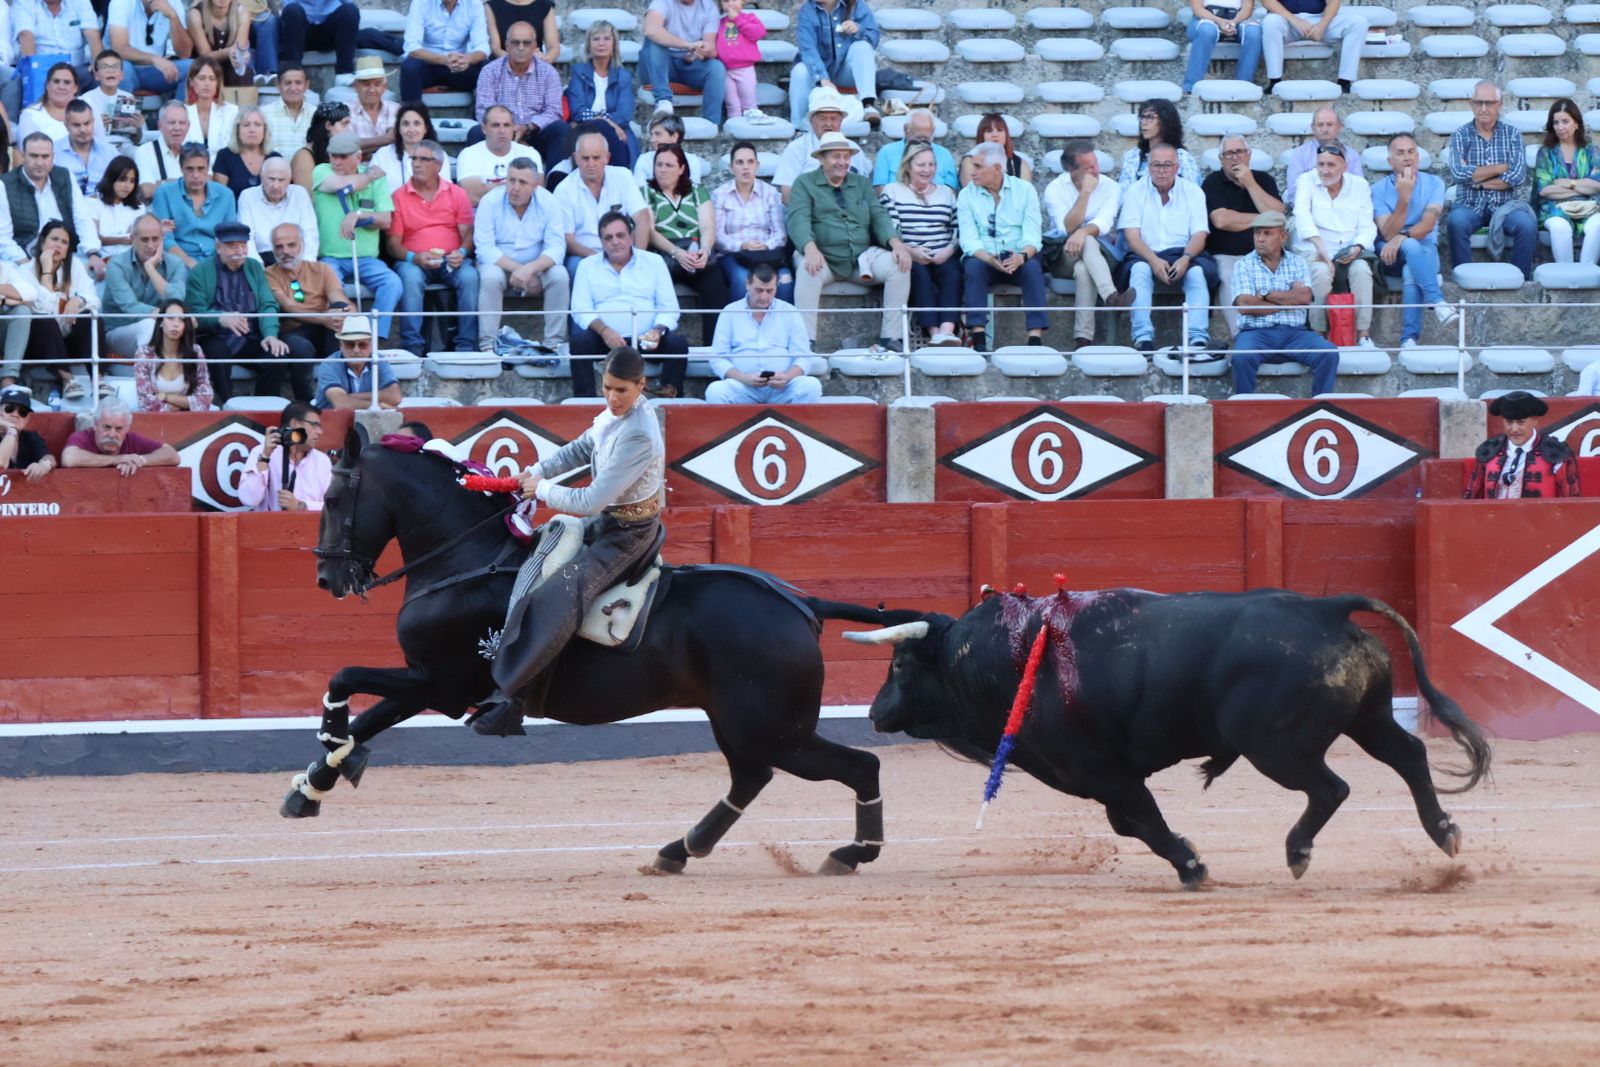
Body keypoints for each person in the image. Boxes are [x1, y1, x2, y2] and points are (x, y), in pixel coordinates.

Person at [470, 344, 665, 735]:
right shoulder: (614, 416)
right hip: (609, 525)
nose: (612, 397)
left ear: (641, 385)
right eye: (607, 387)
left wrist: (540, 490)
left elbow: (591, 500)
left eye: (622, 390)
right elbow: (580, 448)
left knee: (562, 594)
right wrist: (536, 470)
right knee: (536, 557)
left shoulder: (640, 434)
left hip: (629, 537)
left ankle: (514, 697)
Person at [788, 131, 912, 350]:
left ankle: (891, 337)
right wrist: (810, 248)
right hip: (822, 257)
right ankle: (805, 342)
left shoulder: (861, 184)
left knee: (899, 264)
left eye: (846, 157)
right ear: (821, 158)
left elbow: (878, 215)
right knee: (808, 268)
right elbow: (798, 220)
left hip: (860, 259)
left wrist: (896, 243)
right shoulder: (804, 183)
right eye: (836, 156)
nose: (843, 162)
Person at [569, 211, 687, 396]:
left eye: (620, 235)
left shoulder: (653, 262)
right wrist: (605, 331)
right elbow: (580, 309)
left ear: (631, 237)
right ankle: (585, 402)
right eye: (608, 237)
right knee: (579, 342)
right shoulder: (587, 266)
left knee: (677, 344)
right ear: (601, 242)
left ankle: (669, 399)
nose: (615, 242)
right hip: (605, 340)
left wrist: (657, 330)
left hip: (647, 340)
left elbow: (669, 307)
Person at [1228, 211, 1339, 395]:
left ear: (1283, 236)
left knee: (1328, 353)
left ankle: (1321, 406)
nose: (1260, 239)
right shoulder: (1244, 264)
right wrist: (1289, 299)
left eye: (1267, 233)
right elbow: (1246, 305)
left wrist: (1264, 294)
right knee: (1241, 357)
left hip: (1296, 333)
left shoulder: (1298, 262)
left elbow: (1304, 297)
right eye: (1257, 233)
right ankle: (1244, 407)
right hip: (1256, 333)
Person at [186, 218, 295, 404]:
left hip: (249, 335)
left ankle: (263, 407)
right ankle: (227, 404)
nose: (239, 251)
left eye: (243, 245)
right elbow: (194, 313)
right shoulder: (200, 271)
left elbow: (267, 304)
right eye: (232, 246)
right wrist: (220, 318)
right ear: (218, 246)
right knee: (216, 352)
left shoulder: (254, 267)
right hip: (215, 335)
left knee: (276, 354)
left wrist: (270, 334)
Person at [1120, 143, 1214, 355]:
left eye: (1167, 165)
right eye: (1156, 165)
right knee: (1139, 271)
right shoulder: (1135, 192)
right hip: (1145, 253)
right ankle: (1143, 338)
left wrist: (1186, 258)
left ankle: (1197, 339)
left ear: (1177, 167)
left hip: (1184, 252)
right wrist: (1153, 260)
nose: (1161, 171)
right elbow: (1132, 235)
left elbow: (1200, 233)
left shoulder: (1193, 192)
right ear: (1148, 167)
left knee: (1197, 273)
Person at [312, 129, 402, 346]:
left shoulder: (378, 181)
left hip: (366, 258)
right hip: (331, 257)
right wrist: (370, 175)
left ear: (358, 157)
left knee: (393, 282)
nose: (337, 161)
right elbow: (342, 186)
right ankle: (343, 340)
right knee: (331, 286)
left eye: (343, 156)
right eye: (333, 155)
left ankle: (373, 338)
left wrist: (360, 215)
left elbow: (385, 219)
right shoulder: (321, 171)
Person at [388, 138, 478, 354]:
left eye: (423, 159)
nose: (416, 163)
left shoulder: (456, 193)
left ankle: (466, 346)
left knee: (470, 277)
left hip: (451, 260)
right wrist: (414, 257)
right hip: (413, 260)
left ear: (438, 165)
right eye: (414, 159)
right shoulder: (399, 196)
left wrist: (462, 252)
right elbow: (393, 245)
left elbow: (469, 236)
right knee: (410, 278)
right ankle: (413, 347)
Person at [957, 142, 1046, 351]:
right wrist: (989, 259)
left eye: (978, 167)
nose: (972, 172)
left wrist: (1021, 257)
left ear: (997, 168)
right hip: (985, 255)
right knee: (973, 267)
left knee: (1033, 268)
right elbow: (968, 240)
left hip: (1019, 254)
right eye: (972, 166)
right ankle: (978, 337)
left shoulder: (1024, 190)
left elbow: (1033, 236)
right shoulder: (966, 195)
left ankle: (1035, 338)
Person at [476, 156, 569, 353]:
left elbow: (556, 248)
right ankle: (487, 346)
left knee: (559, 275)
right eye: (511, 180)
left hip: (536, 266)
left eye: (522, 182)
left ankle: (554, 344)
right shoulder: (489, 201)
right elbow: (484, 248)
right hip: (500, 264)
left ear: (535, 185)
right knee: (490, 277)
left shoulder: (549, 202)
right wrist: (521, 271)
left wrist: (532, 269)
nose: (515, 188)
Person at [1371, 133, 1455, 350]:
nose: (1407, 158)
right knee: (1407, 246)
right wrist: (1404, 198)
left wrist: (1403, 236)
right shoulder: (1377, 190)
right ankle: (1437, 302)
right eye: (1400, 153)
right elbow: (1388, 234)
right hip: (1389, 253)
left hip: (1424, 247)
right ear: (1390, 161)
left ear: (1418, 156)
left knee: (1411, 268)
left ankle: (1408, 339)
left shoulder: (1435, 183)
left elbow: (1427, 225)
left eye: (1411, 152)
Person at [1447, 81, 1537, 280]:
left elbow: (1518, 176)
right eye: (1478, 103)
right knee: (1456, 221)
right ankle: (1462, 279)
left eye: (1489, 102)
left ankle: (1519, 280)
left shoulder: (1512, 134)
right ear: (1471, 104)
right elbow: (1458, 174)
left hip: (1505, 206)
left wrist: (1477, 180)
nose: (1484, 108)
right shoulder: (1461, 135)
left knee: (1527, 225)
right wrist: (1501, 167)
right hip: (1469, 204)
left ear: (1500, 104)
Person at [1292, 141, 1376, 347]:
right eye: (1321, 164)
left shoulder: (1359, 185)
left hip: (1349, 250)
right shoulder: (1306, 180)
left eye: (1331, 165)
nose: (1325, 171)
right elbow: (1301, 215)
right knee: (1320, 272)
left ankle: (1363, 334)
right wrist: (1322, 252)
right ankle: (1318, 334)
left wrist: (1357, 248)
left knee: (1362, 270)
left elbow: (1367, 226)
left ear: (1344, 167)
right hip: (1314, 248)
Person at [1042, 140, 1126, 349]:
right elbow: (1066, 228)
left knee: (1084, 267)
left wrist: (1083, 232)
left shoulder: (1111, 187)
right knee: (1083, 245)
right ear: (1072, 169)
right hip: (1064, 254)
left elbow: (1104, 224)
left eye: (1096, 164)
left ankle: (1083, 339)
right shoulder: (1055, 188)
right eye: (1089, 167)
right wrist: (1085, 194)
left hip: (1102, 255)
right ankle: (1111, 296)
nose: (1096, 170)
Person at [1203, 134, 1285, 346]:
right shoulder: (1213, 182)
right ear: (1221, 159)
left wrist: (1250, 184)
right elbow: (1221, 220)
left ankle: (1278, 337)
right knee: (1228, 275)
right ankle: (1240, 336)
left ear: (1249, 155)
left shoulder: (1263, 180)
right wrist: (1262, 218)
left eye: (1240, 152)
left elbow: (1278, 217)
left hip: (1263, 254)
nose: (1235, 158)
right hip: (1226, 254)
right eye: (1228, 153)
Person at [644, 143, 728, 346]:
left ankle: (713, 347)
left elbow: (708, 227)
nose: (662, 169)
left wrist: (705, 251)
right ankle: (652, 342)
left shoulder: (697, 191)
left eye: (669, 165)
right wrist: (676, 252)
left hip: (695, 250)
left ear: (681, 168)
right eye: (659, 164)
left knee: (715, 281)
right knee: (653, 282)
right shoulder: (646, 192)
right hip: (663, 252)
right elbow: (649, 231)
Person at [706, 263, 820, 403]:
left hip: (782, 389)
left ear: (776, 287)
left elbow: (803, 357)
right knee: (715, 391)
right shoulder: (730, 312)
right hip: (743, 387)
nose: (764, 297)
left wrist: (787, 377)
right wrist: (743, 377)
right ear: (747, 284)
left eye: (770, 291)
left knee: (811, 386)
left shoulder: (789, 311)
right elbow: (718, 358)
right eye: (759, 290)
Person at [17, 220, 100, 402]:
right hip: (40, 343)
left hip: (68, 339)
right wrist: (46, 269)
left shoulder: (75, 266)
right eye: (54, 239)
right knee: (43, 321)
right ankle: (68, 380)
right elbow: (45, 310)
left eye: (64, 242)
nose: (59, 245)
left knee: (91, 317)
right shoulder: (25, 271)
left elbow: (95, 300)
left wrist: (79, 300)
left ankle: (98, 379)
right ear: (42, 242)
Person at [552, 131, 650, 280]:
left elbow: (642, 218)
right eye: (585, 158)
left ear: (607, 158)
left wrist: (636, 257)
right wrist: (602, 259)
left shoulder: (623, 176)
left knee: (648, 266)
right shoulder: (563, 190)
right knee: (575, 267)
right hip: (584, 255)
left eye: (596, 158)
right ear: (576, 158)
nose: (590, 164)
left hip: (624, 251)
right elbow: (568, 241)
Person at [0, 133, 102, 273]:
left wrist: (93, 253)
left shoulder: (65, 177)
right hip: (23, 257)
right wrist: (28, 265)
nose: (40, 162)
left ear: (53, 157)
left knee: (95, 271)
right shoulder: (5, 184)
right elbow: (3, 237)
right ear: (23, 156)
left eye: (45, 156)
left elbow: (82, 219)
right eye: (34, 156)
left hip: (64, 254)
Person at [472, 22, 567, 170]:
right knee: (476, 132)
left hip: (536, 131)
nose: (521, 47)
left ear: (535, 46)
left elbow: (554, 111)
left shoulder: (548, 73)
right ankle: (479, 182)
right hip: (502, 131)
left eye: (526, 43)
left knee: (561, 130)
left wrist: (527, 128)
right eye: (515, 42)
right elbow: (484, 110)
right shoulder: (490, 71)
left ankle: (555, 183)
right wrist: (509, 129)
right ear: (507, 45)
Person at [713, 140, 792, 304]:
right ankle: (739, 327)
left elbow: (780, 234)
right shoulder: (720, 195)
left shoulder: (770, 193)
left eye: (750, 162)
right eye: (739, 162)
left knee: (785, 280)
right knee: (742, 279)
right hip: (733, 254)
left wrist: (766, 245)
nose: (745, 167)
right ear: (731, 167)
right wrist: (742, 246)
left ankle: (779, 328)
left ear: (757, 165)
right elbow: (718, 236)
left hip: (766, 254)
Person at [265, 222, 351, 369]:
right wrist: (324, 318)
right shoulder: (268, 274)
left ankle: (339, 382)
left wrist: (347, 313)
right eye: (279, 247)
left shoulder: (322, 269)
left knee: (340, 310)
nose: (285, 251)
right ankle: (304, 393)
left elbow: (339, 298)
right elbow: (289, 306)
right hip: (294, 330)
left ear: (302, 245)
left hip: (326, 329)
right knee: (299, 346)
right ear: (273, 250)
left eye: (291, 245)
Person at [104, 213, 189, 359]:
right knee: (149, 326)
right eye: (144, 240)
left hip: (161, 329)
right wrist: (165, 315)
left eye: (155, 239)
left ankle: (171, 377)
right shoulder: (116, 264)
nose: (150, 245)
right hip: (118, 333)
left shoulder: (176, 264)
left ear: (163, 238)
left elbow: (176, 301)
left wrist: (150, 268)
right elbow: (129, 306)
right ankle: (149, 379)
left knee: (182, 327)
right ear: (132, 240)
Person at [1465, 391, 1580, 499]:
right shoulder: (1489, 451)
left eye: (1521, 422)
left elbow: (1570, 503)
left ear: (1535, 420)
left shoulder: (1557, 453)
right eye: (1509, 422)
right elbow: (1472, 500)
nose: (1514, 429)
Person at [790, 0, 879, 128]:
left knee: (862, 47)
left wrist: (858, 29)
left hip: (846, 73)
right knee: (800, 70)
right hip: (818, 71)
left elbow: (873, 38)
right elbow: (808, 49)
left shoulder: (857, 5)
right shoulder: (807, 10)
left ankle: (868, 104)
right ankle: (798, 124)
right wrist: (822, 78)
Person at [564, 20, 637, 171]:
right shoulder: (578, 72)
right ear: (589, 45)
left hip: (618, 129)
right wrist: (605, 122)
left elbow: (624, 115)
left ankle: (621, 178)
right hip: (584, 128)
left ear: (614, 45)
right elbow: (577, 111)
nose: (601, 43)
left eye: (606, 38)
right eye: (596, 39)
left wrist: (605, 123)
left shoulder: (623, 76)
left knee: (623, 141)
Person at [773, 87, 870, 202]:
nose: (828, 124)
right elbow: (787, 194)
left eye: (834, 118)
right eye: (822, 119)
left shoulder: (853, 148)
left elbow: (864, 189)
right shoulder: (797, 148)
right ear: (811, 121)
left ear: (841, 121)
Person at [1534, 99, 1600, 267]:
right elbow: (1545, 190)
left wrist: (1567, 183)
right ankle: (1566, 273)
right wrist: (1583, 186)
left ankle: (1587, 272)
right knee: (1560, 228)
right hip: (1554, 208)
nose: (1560, 127)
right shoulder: (1545, 153)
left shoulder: (1591, 152)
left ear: (1576, 123)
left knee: (1598, 225)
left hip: (1590, 207)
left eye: (1565, 121)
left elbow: (1598, 185)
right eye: (1556, 122)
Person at [151, 143, 237, 269]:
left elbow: (229, 236)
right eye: (190, 169)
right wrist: (189, 263)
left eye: (201, 169)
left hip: (217, 259)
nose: (196, 175)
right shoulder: (164, 193)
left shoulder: (226, 195)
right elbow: (165, 239)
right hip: (177, 260)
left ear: (208, 169)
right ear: (181, 169)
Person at [638, 0, 725, 124]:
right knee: (654, 40)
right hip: (657, 66)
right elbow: (650, 30)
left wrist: (701, 51)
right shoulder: (663, 2)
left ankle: (711, 123)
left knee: (716, 68)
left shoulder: (708, 7)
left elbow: (711, 48)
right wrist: (687, 45)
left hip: (688, 65)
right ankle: (663, 101)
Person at [238, 401, 331, 511]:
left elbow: (333, 506)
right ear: (295, 424)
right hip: (270, 526)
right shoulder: (262, 452)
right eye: (314, 425)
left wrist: (301, 506)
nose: (320, 432)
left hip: (311, 526)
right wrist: (264, 458)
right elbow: (249, 499)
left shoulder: (322, 461)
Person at [1261, 0, 1367, 96]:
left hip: (1318, 19)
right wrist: (1296, 21)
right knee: (1271, 21)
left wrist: (1322, 26)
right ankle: (1274, 82)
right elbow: (1267, 2)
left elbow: (1333, 3)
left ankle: (1344, 83)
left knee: (1358, 22)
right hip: (1287, 20)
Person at [62, 396, 180, 474]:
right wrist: (118, 459)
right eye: (107, 427)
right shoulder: (82, 437)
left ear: (127, 428)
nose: (112, 434)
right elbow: (69, 459)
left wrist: (140, 460)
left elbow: (172, 455)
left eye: (118, 429)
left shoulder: (131, 438)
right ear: (95, 424)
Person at [400, 0, 489, 103]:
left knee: (488, 67)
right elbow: (412, 47)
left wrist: (467, 59)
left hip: (459, 67)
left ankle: (483, 116)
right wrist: (444, 60)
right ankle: (412, 114)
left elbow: (482, 47)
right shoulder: (421, 3)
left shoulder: (473, 4)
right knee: (410, 67)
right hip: (428, 64)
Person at [133, 298, 214, 411]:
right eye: (170, 318)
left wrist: (167, 397)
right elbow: (145, 403)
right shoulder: (144, 354)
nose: (176, 324)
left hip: (189, 420)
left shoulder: (195, 352)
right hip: (156, 422)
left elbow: (206, 398)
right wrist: (177, 406)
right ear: (160, 322)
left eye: (181, 320)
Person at [457, 104, 544, 205]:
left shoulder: (529, 153)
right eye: (495, 125)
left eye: (506, 125)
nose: (502, 131)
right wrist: (521, 186)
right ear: (484, 129)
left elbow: (537, 192)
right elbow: (471, 195)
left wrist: (487, 187)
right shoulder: (468, 154)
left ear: (514, 127)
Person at [238, 156, 317, 264]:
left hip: (294, 260)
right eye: (271, 179)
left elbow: (310, 234)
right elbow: (247, 238)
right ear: (261, 176)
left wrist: (306, 267)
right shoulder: (247, 196)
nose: (276, 185)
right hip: (262, 259)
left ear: (290, 179)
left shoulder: (300, 194)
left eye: (281, 180)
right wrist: (258, 270)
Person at [314, 314, 402, 409]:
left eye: (362, 345)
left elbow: (395, 396)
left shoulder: (378, 360)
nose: (356, 350)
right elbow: (341, 403)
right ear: (341, 345)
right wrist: (378, 405)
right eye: (350, 345)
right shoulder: (330, 364)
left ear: (371, 346)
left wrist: (351, 396)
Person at [106, 0, 194, 94]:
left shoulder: (174, 3)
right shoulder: (120, 2)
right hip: (128, 68)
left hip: (154, 71)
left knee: (192, 67)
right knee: (123, 67)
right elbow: (119, 48)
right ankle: (120, 108)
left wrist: (173, 17)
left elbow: (185, 54)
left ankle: (177, 108)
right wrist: (153, 58)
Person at [15, 0, 104, 90]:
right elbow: (25, 36)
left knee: (103, 76)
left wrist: (98, 67)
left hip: (76, 70)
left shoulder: (80, 2)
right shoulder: (24, 2)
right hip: (42, 71)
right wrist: (35, 75)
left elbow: (93, 35)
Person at [1283, 107, 1363, 205]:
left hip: (1345, 210)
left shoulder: (1352, 156)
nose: (1325, 129)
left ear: (1339, 127)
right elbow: (1294, 192)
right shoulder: (1300, 154)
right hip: (1309, 210)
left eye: (1330, 124)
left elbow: (1359, 190)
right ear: (1313, 127)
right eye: (1320, 125)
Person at [1182, 0, 1260, 95]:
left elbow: (1248, 8)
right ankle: (1191, 87)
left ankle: (1244, 85)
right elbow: (1197, 9)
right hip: (1206, 16)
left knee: (1254, 33)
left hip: (1237, 17)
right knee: (1206, 31)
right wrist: (1220, 21)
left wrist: (1233, 22)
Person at [1119, 99, 1199, 190]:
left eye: (1150, 117)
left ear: (1165, 120)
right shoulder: (1133, 156)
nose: (1143, 123)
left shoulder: (1183, 158)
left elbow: (1193, 193)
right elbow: (1124, 194)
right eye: (1142, 117)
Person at [871, 109, 958, 192]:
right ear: (906, 130)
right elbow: (880, 188)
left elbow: (951, 192)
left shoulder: (944, 154)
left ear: (933, 131)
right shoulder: (887, 152)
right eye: (918, 138)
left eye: (926, 139)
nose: (922, 143)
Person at [369, 102, 448, 191]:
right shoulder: (382, 155)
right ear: (399, 129)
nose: (411, 129)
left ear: (425, 128)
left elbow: (445, 193)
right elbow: (372, 191)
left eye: (417, 123)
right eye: (406, 124)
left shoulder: (439, 156)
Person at [280, 0, 361, 86]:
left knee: (350, 10)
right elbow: (287, 6)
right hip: (302, 31)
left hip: (330, 29)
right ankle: (294, 72)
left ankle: (344, 73)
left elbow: (349, 3)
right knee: (292, 10)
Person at [80, 50, 148, 152]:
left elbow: (138, 140)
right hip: (98, 148)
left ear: (121, 75)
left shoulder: (129, 98)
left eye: (115, 67)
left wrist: (138, 128)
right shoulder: (86, 99)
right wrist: (97, 126)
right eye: (104, 67)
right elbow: (79, 135)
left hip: (126, 147)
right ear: (96, 75)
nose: (110, 71)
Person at [716, 0, 769, 123]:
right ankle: (735, 128)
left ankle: (750, 130)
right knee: (732, 105)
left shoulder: (749, 18)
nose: (730, 3)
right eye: (725, 1)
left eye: (734, 0)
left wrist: (737, 19)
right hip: (725, 71)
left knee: (749, 105)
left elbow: (757, 33)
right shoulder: (718, 23)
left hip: (745, 70)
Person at [55, 99, 117, 197]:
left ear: (93, 122)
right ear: (66, 126)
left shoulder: (110, 152)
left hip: (103, 207)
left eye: (87, 123)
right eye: (76, 125)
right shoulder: (54, 152)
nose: (82, 130)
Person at [187, 0, 256, 89]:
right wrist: (227, 52)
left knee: (241, 69)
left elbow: (239, 48)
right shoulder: (196, 14)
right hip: (205, 65)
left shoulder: (241, 12)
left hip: (231, 66)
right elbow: (205, 55)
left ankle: (241, 101)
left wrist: (239, 55)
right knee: (206, 72)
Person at [212, 106, 277, 198]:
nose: (252, 130)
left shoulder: (275, 159)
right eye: (246, 125)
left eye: (257, 125)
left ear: (265, 130)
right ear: (237, 130)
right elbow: (221, 197)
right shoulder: (225, 156)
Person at [631, 114, 710, 186]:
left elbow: (693, 192)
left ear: (674, 137)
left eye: (658, 134)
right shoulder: (644, 159)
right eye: (652, 135)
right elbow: (640, 192)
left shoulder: (691, 160)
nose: (652, 140)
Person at [88, 151, 146, 249]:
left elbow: (137, 240)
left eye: (132, 181)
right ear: (111, 178)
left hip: (129, 259)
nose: (128, 186)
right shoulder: (93, 202)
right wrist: (124, 239)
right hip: (100, 257)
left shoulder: (139, 207)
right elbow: (94, 238)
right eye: (123, 179)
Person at [185, 58, 239, 161]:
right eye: (202, 78)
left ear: (217, 83)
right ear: (192, 82)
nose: (207, 83)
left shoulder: (231, 111)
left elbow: (232, 149)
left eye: (212, 78)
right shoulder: (182, 112)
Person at [0, 385, 57, 482]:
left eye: (23, 412)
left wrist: (44, 464)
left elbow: (48, 457)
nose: (15, 414)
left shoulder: (31, 437)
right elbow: (1, 463)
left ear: (27, 419)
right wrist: (12, 430)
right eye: (9, 409)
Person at [958, 114, 1033, 187]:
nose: (995, 135)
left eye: (1000, 130)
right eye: (989, 131)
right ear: (982, 136)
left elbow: (1025, 196)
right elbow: (971, 194)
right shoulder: (970, 161)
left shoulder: (1020, 164)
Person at [135, 101, 190, 200]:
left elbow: (206, 185)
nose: (177, 128)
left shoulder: (193, 152)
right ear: (159, 126)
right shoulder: (145, 151)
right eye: (171, 123)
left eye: (182, 123)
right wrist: (189, 184)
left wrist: (162, 183)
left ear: (188, 126)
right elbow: (147, 190)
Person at [291, 100, 350, 192]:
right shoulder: (303, 157)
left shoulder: (339, 153)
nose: (349, 129)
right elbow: (308, 198)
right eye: (344, 124)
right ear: (328, 125)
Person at [18, 62, 78, 146]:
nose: (61, 87)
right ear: (47, 85)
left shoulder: (88, 108)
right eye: (56, 81)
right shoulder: (30, 115)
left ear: (75, 88)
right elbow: (27, 152)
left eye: (67, 82)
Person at [261, 65, 314, 157]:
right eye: (287, 83)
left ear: (306, 85)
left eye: (298, 83)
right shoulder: (263, 114)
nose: (293, 88)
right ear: (278, 85)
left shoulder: (316, 114)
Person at [349, 57, 398, 156]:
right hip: (357, 169)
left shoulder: (396, 109)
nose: (372, 90)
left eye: (377, 84)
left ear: (384, 87)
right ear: (355, 86)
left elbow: (401, 143)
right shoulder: (346, 111)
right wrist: (387, 139)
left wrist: (362, 146)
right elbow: (347, 146)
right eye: (366, 84)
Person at [485, 0, 557, 63]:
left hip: (536, 65)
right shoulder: (492, 6)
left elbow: (553, 47)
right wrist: (522, 61)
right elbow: (496, 49)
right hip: (502, 65)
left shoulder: (545, 6)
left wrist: (545, 60)